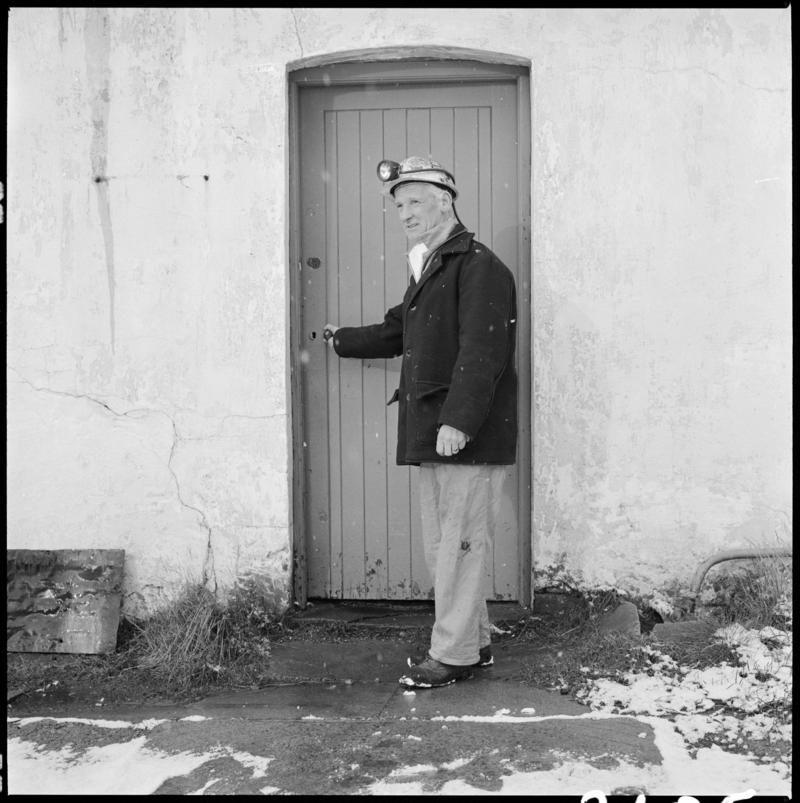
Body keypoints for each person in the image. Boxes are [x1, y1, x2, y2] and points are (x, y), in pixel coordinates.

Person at [323, 155, 517, 689]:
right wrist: (342, 340)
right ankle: (473, 643)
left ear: (445, 201)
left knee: (457, 547)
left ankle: (453, 655)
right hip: (436, 431)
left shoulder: (478, 267)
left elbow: (483, 350)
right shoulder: (432, 267)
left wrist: (459, 422)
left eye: (415, 201)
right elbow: (400, 329)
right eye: (399, 205)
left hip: (464, 436)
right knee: (447, 548)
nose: (405, 213)